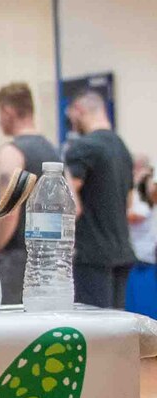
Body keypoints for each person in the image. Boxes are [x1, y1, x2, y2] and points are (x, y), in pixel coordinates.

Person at [63, 91, 135, 309]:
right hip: (121, 251)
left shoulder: (83, 147)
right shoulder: (122, 148)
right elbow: (129, 203)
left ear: (79, 111)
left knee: (94, 332)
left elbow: (70, 205)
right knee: (116, 331)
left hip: (92, 254)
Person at [0, 82, 61, 304]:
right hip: (51, 259)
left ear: (8, 111)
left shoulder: (12, 151)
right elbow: (73, 209)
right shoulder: (53, 152)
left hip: (17, 260)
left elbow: (9, 210)